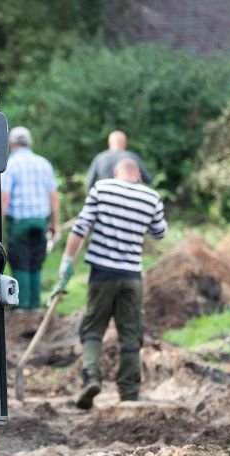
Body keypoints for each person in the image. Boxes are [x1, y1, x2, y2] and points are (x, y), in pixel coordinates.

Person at [53, 158, 167, 409]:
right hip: (131, 276)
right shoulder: (151, 197)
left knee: (93, 328)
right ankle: (129, 392)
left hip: (102, 273)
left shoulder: (102, 189)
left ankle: (92, 378)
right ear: (138, 175)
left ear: (117, 172)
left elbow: (80, 228)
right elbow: (160, 233)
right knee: (131, 334)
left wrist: (67, 263)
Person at [1, 126, 60, 309]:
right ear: (29, 143)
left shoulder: (10, 165)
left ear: (12, 144)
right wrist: (55, 224)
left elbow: (4, 198)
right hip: (40, 222)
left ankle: (22, 306)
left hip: (19, 223)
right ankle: (35, 306)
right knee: (36, 262)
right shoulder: (43, 164)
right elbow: (53, 197)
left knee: (20, 262)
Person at [86, 130, 152, 191]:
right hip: (127, 196)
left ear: (109, 143)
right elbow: (148, 179)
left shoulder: (99, 158)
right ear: (125, 143)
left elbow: (89, 183)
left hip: (105, 195)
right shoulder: (133, 157)